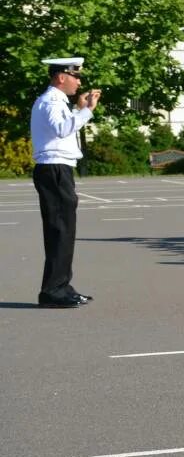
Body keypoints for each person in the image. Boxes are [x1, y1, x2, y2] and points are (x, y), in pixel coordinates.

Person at [31, 57, 99, 308]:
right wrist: (87, 111)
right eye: (75, 76)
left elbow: (60, 127)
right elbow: (61, 129)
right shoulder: (51, 100)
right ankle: (52, 291)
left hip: (58, 169)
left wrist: (77, 109)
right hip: (54, 169)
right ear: (61, 77)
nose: (79, 81)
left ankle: (61, 286)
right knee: (60, 230)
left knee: (64, 230)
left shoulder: (57, 101)